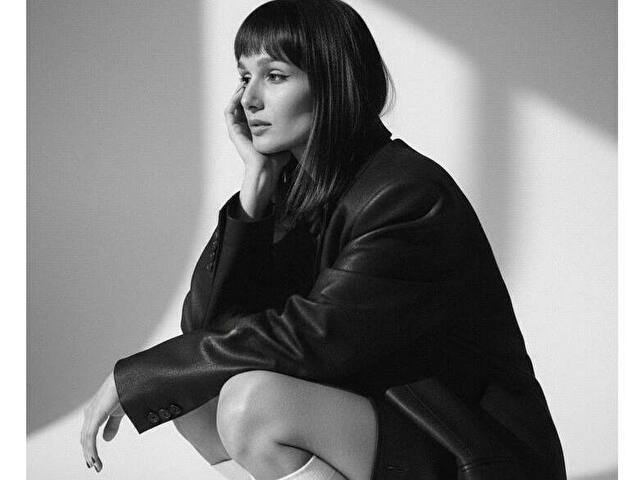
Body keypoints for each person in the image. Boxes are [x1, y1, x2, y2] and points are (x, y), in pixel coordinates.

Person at [80, 1, 567, 479]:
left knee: (252, 405)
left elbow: (315, 337)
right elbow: (208, 328)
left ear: (334, 83)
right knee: (196, 396)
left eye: (274, 76)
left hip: (470, 450)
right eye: (244, 77)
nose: (249, 100)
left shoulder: (406, 195)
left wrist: (146, 375)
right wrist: (254, 191)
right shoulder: (293, 193)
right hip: (384, 426)